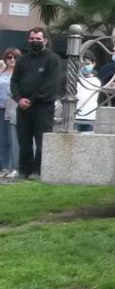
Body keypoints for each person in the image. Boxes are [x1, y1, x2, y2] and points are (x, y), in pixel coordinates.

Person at [10, 28, 62, 180]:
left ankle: (37, 171)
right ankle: (24, 170)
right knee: (24, 140)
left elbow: (50, 84)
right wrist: (19, 99)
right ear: (28, 40)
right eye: (32, 39)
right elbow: (14, 82)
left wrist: (31, 100)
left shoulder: (53, 59)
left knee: (41, 140)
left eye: (38, 39)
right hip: (23, 107)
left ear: (45, 40)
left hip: (43, 107)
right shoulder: (22, 60)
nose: (35, 41)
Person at [0, 48, 19, 177]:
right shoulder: (2, 72)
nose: (12, 60)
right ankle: (5, 166)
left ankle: (14, 166)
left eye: (14, 57)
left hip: (13, 108)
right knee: (2, 139)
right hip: (1, 107)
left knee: (13, 139)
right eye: (9, 57)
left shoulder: (19, 73)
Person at [75, 53, 102, 133]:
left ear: (93, 64)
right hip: (75, 117)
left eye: (87, 64)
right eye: (82, 64)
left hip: (91, 117)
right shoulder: (74, 80)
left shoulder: (97, 81)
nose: (84, 66)